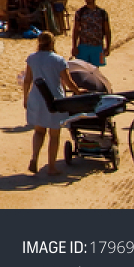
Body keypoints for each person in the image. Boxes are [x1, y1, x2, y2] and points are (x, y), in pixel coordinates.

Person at [23, 32, 80, 176]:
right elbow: (68, 81)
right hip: (55, 99)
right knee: (54, 134)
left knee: (39, 131)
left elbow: (27, 80)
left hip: (36, 97)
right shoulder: (59, 60)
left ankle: (34, 158)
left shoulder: (32, 58)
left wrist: (25, 98)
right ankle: (51, 167)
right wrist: (78, 92)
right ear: (52, 43)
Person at [70, 0, 111, 67]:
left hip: (97, 46)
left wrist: (108, 47)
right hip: (83, 46)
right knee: (82, 68)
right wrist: (74, 46)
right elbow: (76, 30)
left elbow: (107, 30)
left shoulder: (102, 13)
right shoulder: (80, 12)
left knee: (95, 70)